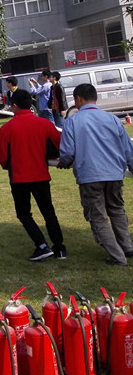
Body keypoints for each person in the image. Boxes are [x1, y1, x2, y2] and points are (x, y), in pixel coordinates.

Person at [58, 83, 133, 266]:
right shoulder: (113, 119)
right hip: (115, 174)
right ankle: (127, 246)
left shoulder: (73, 121)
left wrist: (64, 162)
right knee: (116, 209)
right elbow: (128, 149)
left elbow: (67, 152)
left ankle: (117, 256)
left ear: (78, 99)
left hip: (90, 175)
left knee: (97, 216)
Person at [0, 89, 65, 261]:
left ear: (15, 106)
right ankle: (59, 248)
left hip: (19, 178)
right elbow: (58, 146)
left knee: (24, 213)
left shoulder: (7, 128)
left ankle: (41, 245)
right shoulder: (45, 124)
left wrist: (8, 166)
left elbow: (2, 156)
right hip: (41, 175)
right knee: (48, 212)